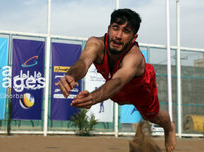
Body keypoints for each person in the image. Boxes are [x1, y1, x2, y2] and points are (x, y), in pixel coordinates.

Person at [58, 8, 176, 152]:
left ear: (133, 38)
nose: (118, 35)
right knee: (115, 95)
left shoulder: (135, 57)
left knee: (152, 116)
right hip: (116, 91)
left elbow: (118, 81)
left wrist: (92, 98)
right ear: (109, 29)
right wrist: (71, 75)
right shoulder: (96, 44)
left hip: (140, 89)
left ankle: (169, 127)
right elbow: (83, 62)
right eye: (115, 28)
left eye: (126, 31)